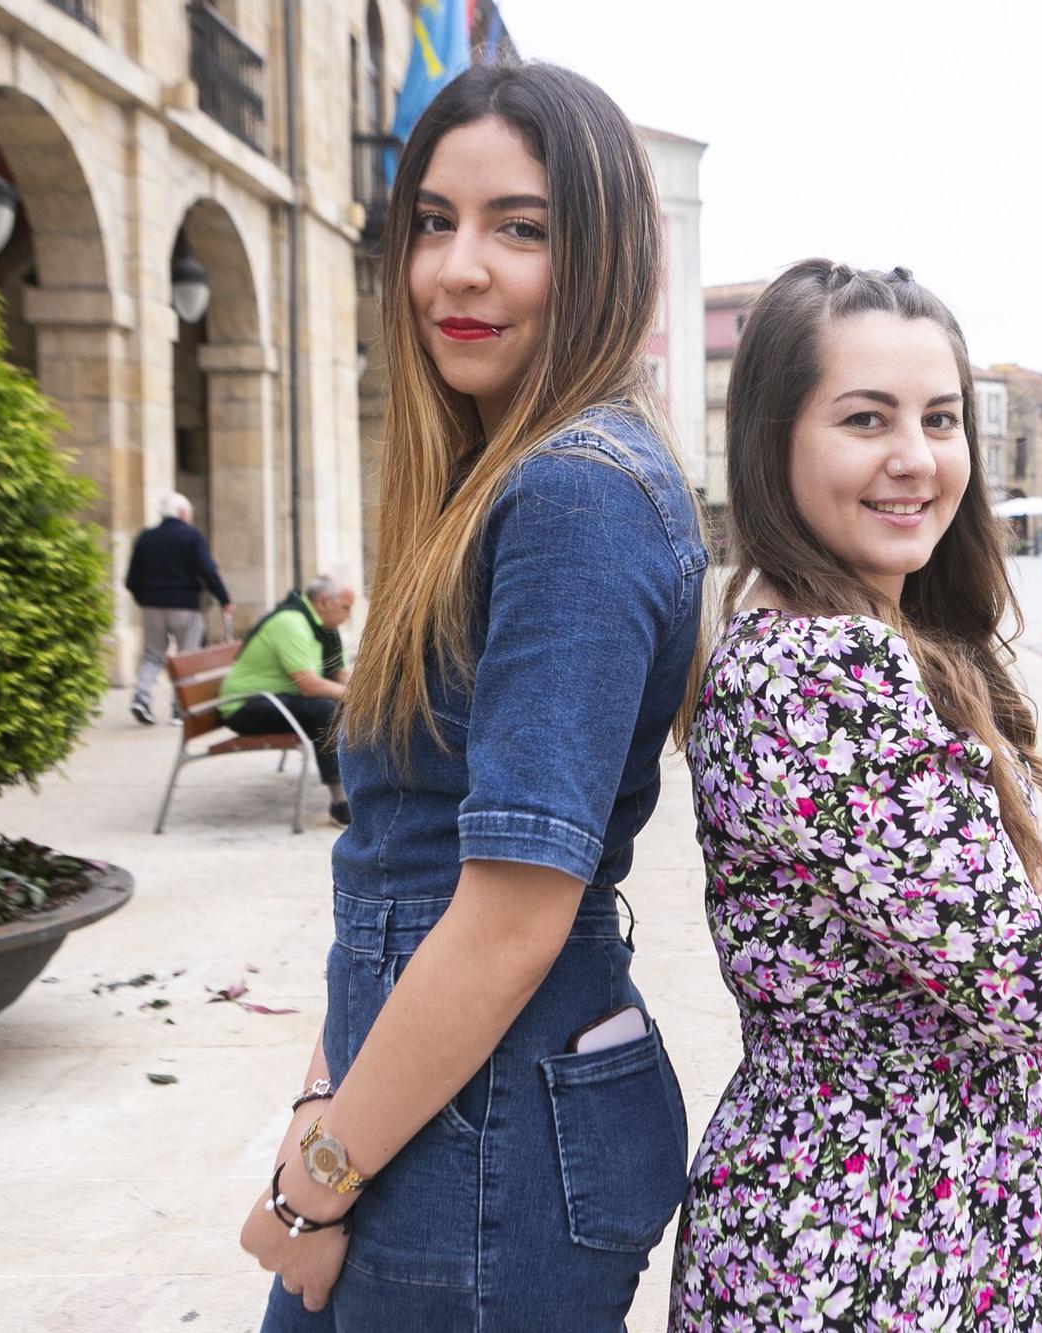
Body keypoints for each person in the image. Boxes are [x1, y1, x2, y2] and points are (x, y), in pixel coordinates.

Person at [239, 60, 704, 1327]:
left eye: (521, 227)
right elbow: (403, 868)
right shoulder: (502, 481)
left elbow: (504, 915)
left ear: (603, 252)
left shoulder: (575, 493)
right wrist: (316, 1113)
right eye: (433, 222)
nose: (457, 267)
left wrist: (314, 1183)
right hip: (440, 1107)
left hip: (483, 1132)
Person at [670, 261, 1042, 1329]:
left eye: (939, 418)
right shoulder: (824, 675)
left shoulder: (892, 645)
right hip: (871, 1244)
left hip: (924, 1222)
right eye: (864, 419)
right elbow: (1029, 983)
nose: (914, 459)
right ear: (771, 440)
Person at [219, 572, 357, 825]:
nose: (348, 615)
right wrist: (358, 699)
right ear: (324, 602)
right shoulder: (291, 622)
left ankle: (361, 786)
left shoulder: (324, 629)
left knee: (339, 707)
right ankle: (341, 801)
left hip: (277, 699)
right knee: (325, 710)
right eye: (345, 607)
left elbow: (340, 673)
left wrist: (367, 696)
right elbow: (307, 684)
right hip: (244, 706)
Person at [124, 491, 233, 725]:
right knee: (187, 656)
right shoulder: (192, 536)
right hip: (186, 606)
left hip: (152, 605)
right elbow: (208, 571)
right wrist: (224, 598)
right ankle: (180, 708)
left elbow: (131, 580)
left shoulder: (146, 537)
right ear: (183, 513)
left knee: (152, 654)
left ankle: (141, 698)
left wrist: (145, 599)